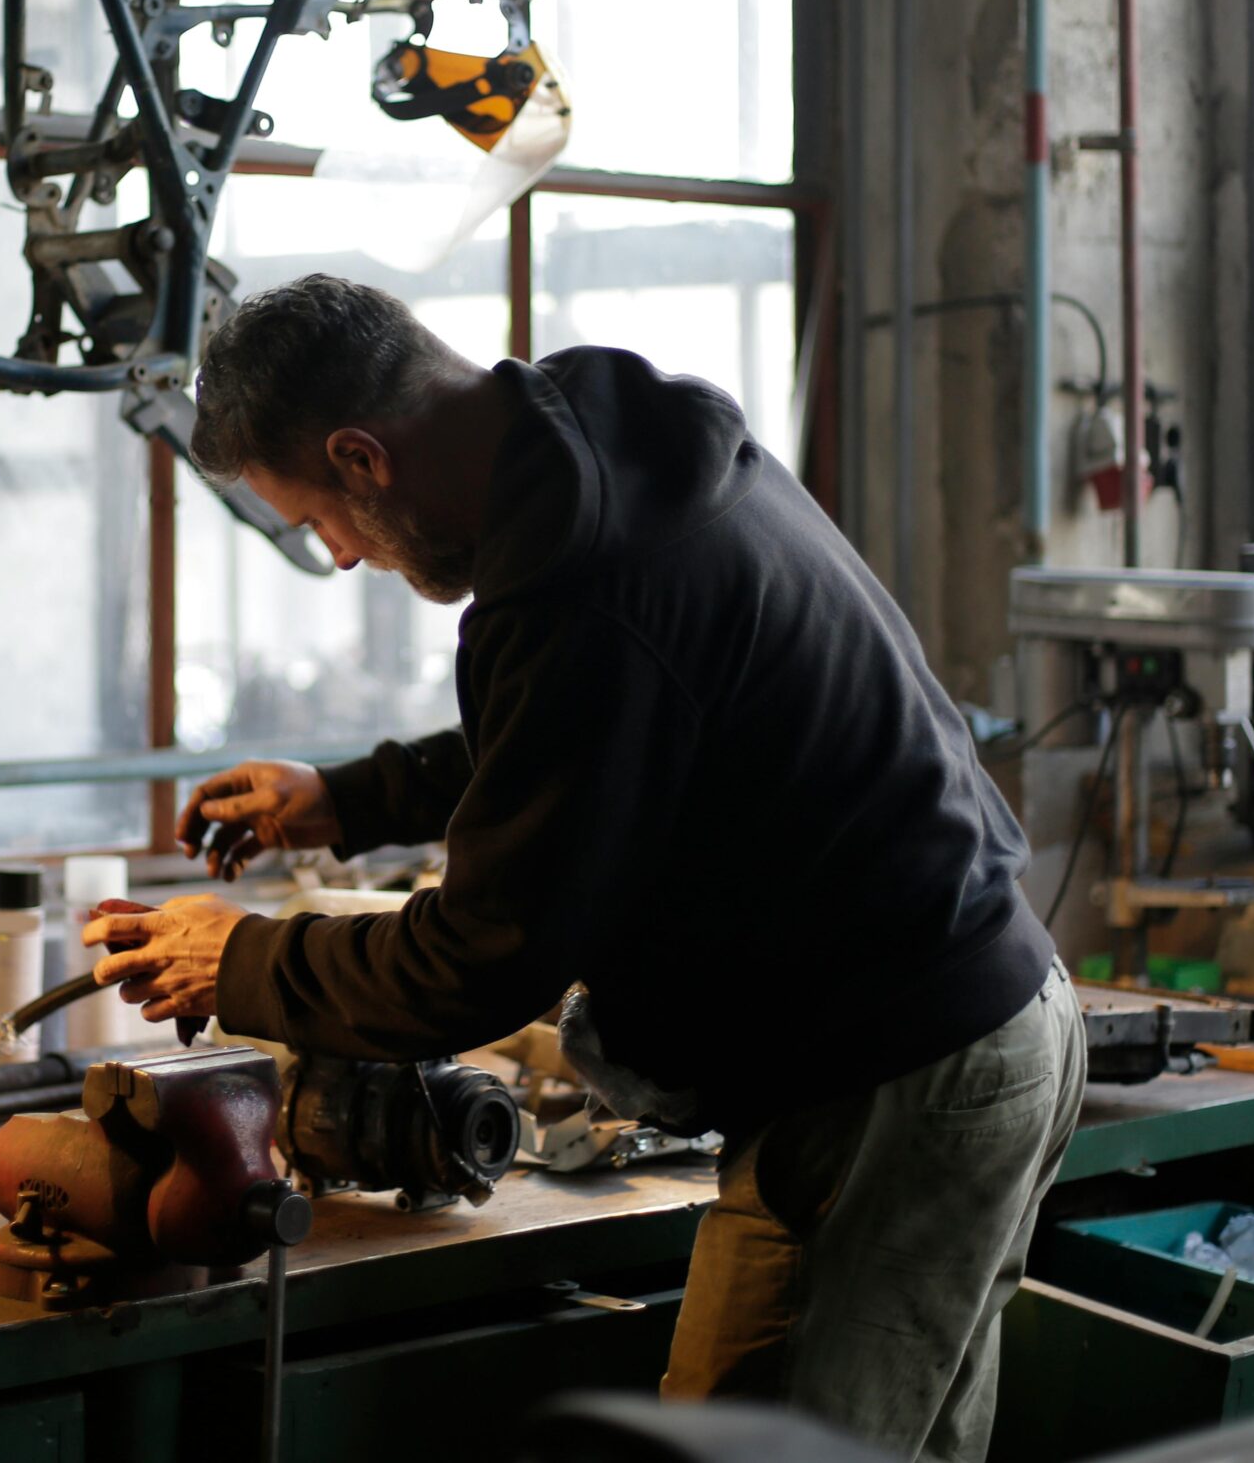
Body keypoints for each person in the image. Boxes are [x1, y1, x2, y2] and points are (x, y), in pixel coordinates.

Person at [85, 274, 1085, 1463]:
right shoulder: (602, 444)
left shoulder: (584, 585)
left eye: (317, 524)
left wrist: (238, 957)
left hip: (890, 1088)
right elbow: (594, 734)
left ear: (361, 456)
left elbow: (478, 963)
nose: (341, 560)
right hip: (950, 1039)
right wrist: (348, 799)